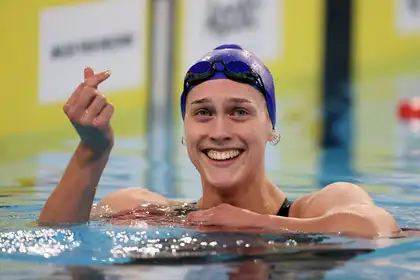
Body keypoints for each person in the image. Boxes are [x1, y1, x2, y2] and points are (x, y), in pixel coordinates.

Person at [38, 44, 401, 238]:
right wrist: (92, 151)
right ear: (184, 132)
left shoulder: (322, 206)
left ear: (270, 128)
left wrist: (256, 224)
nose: (219, 130)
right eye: (203, 113)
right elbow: (55, 241)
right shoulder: (145, 210)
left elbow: (379, 228)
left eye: (240, 112)